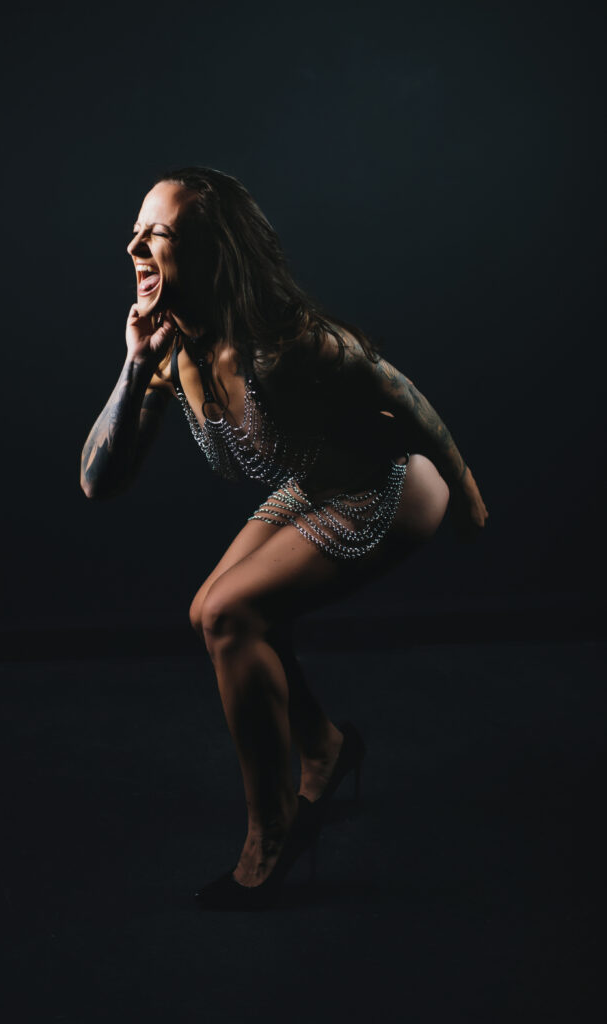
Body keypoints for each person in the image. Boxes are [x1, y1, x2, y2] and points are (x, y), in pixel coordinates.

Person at [80, 167, 489, 910]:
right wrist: (133, 365)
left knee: (229, 614)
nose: (133, 247)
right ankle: (326, 749)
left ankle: (273, 833)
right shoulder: (169, 354)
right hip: (313, 486)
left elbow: (401, 393)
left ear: (211, 253)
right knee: (210, 610)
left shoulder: (284, 343)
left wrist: (465, 492)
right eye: (136, 231)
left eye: (158, 234)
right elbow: (98, 483)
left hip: (390, 485)